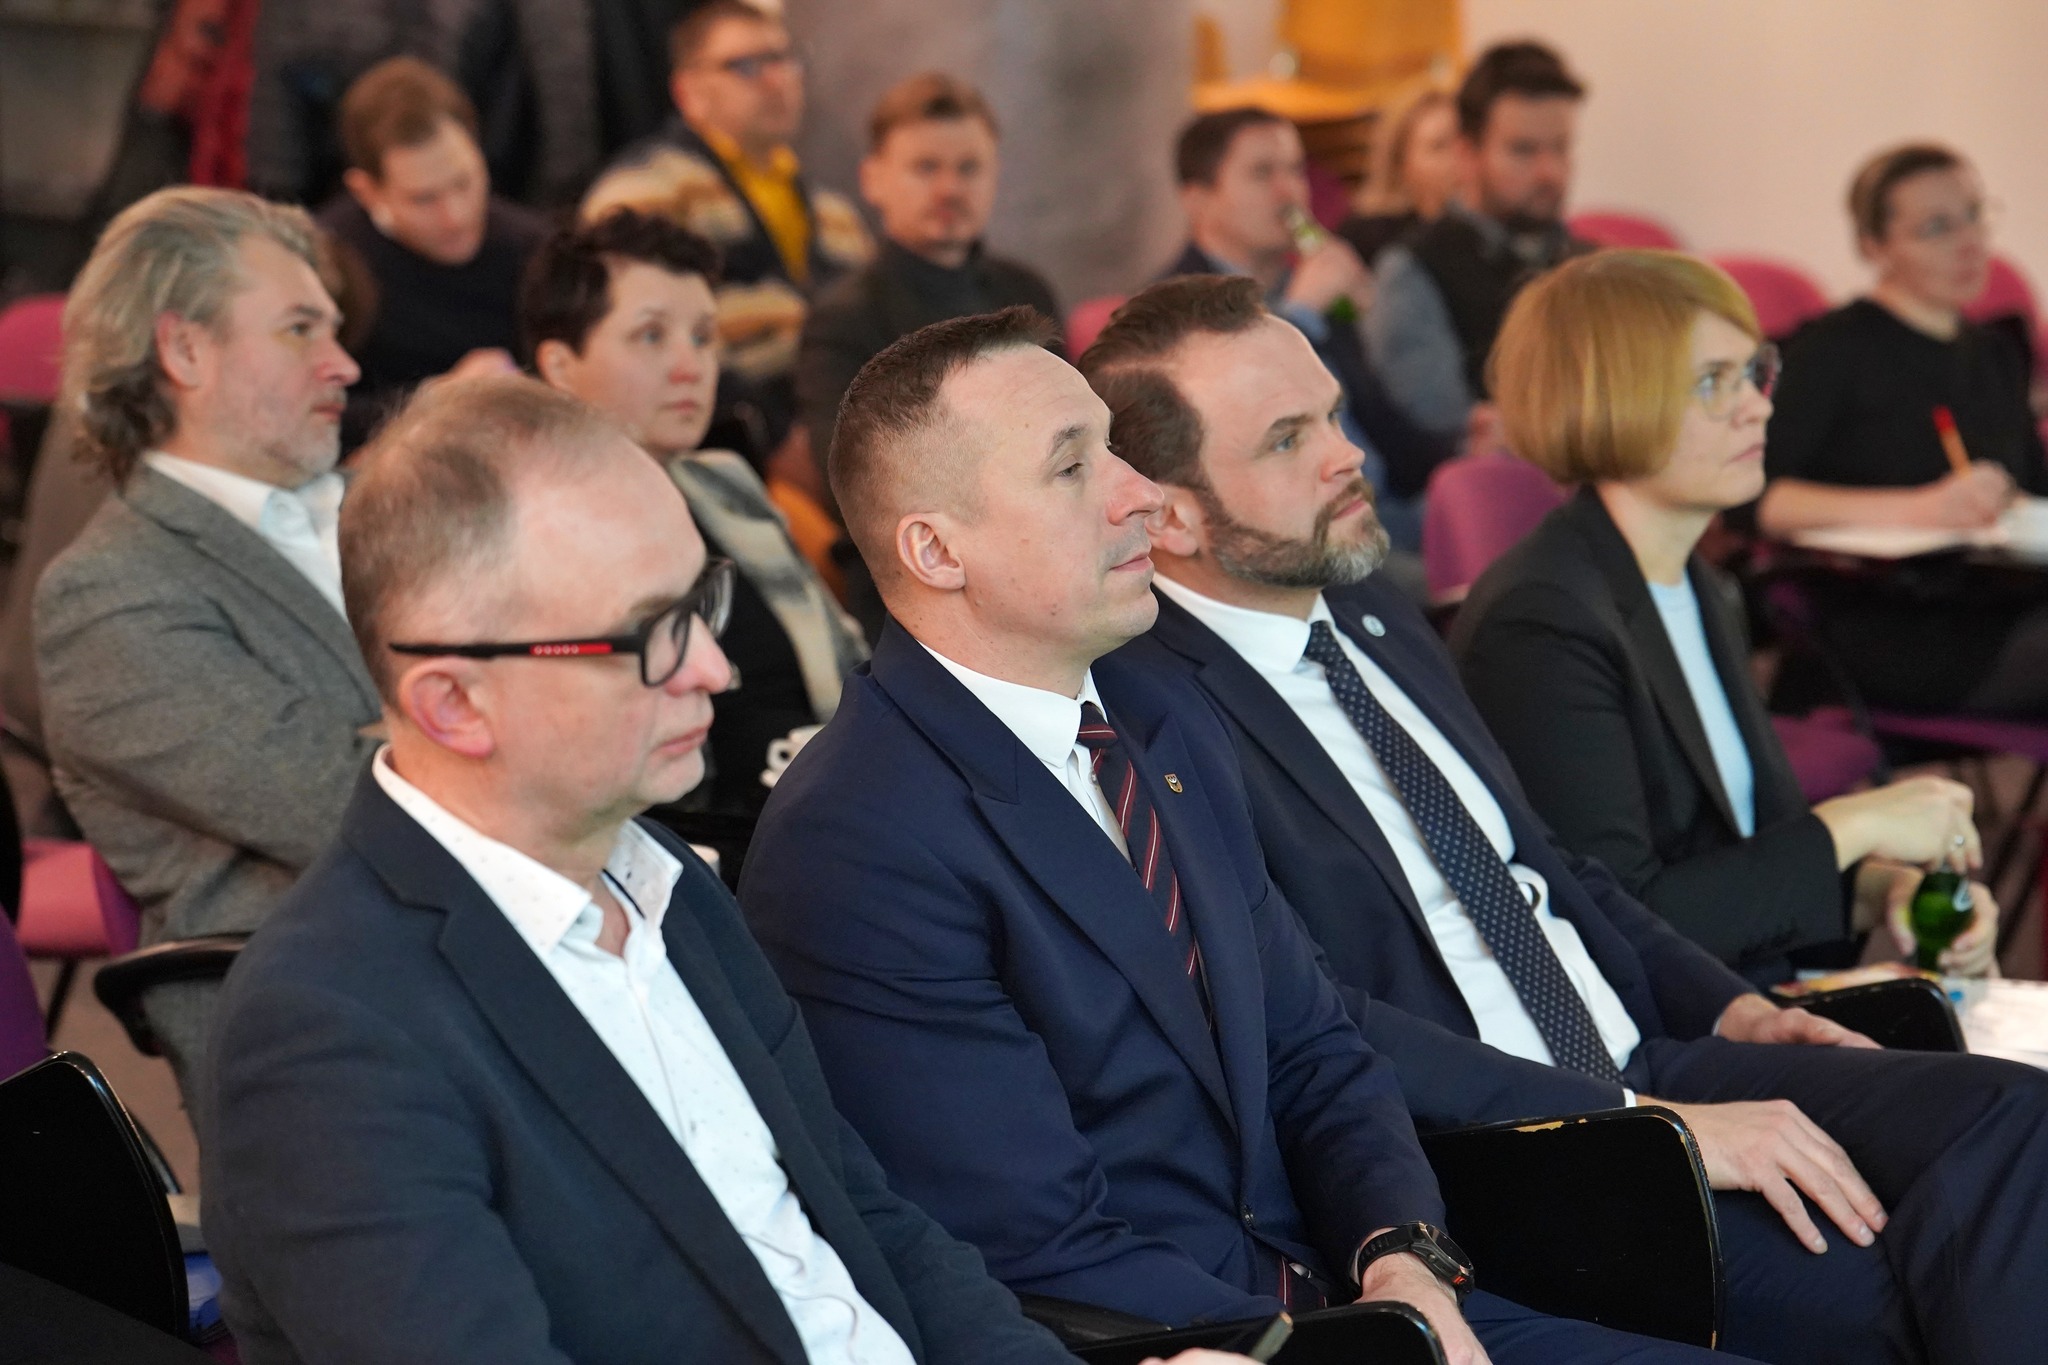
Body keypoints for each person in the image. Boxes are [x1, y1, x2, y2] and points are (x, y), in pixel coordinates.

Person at [742, 307, 1756, 1365]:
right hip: (1198, 1344)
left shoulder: (1157, 714)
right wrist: (1351, 1339)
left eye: (1115, 450)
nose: (1139, 494)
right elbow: (1034, 1247)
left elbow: (1313, 1045)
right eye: (1072, 467)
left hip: (1366, 1297)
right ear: (935, 549)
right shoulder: (857, 842)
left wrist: (1400, 1251)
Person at [1085, 272, 2048, 1365]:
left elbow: (1543, 865)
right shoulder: (1152, 718)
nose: (1347, 455)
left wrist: (1734, 1011)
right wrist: (1641, 1120)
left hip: (1638, 1055)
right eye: (1285, 439)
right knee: (1913, 1288)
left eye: (1335, 415)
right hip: (1514, 1143)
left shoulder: (1370, 613)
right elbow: (1319, 1021)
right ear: (1168, 514)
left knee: (2014, 1121)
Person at [199, 373, 1243, 1365]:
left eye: (700, 601)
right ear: (453, 703)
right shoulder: (330, 1031)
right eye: (650, 633)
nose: (713, 666)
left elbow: (870, 1223)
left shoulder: (663, 879)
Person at [1452, 249, 2000, 984]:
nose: (1759, 406)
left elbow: (1744, 857)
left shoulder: (1704, 585)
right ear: (1611, 403)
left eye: (1753, 372)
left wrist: (1887, 893)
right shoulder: (1542, 622)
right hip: (1654, 1036)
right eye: (1714, 383)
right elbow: (1617, 931)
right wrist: (1853, 823)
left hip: (1741, 1000)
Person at [34, 187, 381, 1105]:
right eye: (300, 329)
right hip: (340, 1024)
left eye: (334, 328)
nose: (344, 363)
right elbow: (344, 804)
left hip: (505, 949)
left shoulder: (380, 509)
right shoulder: (111, 593)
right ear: (185, 350)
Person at [524, 208, 866, 830]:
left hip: (831, 793)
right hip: (702, 839)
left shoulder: (722, 481)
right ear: (560, 365)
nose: (690, 366)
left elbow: (846, 654)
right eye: (651, 336)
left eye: (704, 337)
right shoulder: (537, 531)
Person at [1754, 143, 2048, 717]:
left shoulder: (1994, 352)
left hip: (2000, 597)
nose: (1970, 242)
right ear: (1875, 246)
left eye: (1974, 215)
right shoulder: (1831, 351)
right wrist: (1920, 509)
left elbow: (2033, 489)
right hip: (1896, 622)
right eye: (1936, 228)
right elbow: (1756, 501)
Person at [584, 0, 872, 468]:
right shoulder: (644, 195)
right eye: (747, 65)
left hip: (851, 433)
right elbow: (630, 347)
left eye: (785, 58)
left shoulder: (837, 212)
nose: (777, 80)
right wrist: (770, 435)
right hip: (720, 447)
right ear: (689, 91)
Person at [1165, 107, 1451, 551]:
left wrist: (1464, 444)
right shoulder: (1172, 310)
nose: (1289, 192)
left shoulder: (1308, 284)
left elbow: (1383, 429)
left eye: (1295, 170)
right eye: (1262, 173)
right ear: (1197, 200)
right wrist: (1300, 313)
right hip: (1296, 538)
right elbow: (1226, 432)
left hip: (1380, 509)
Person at [797, 71, 1060, 481]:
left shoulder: (1028, 292)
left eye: (969, 167)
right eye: (925, 167)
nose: (949, 189)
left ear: (995, 176)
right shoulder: (842, 322)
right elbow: (850, 481)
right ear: (872, 179)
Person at [1365, 42, 1591, 450]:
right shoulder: (1414, 269)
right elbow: (1441, 434)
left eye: (1560, 147)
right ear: (1467, 153)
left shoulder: (1589, 261)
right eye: (1523, 150)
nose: (1549, 172)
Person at [318, 57, 547, 446]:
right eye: (423, 199)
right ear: (366, 191)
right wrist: (433, 401)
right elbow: (303, 408)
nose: (455, 216)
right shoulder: (326, 267)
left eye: (464, 182)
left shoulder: (534, 248)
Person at [1337, 87, 1458, 266]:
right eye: (1438, 146)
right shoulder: (1366, 241)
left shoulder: (1483, 234)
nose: (1457, 158)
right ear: (1399, 163)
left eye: (1462, 143)